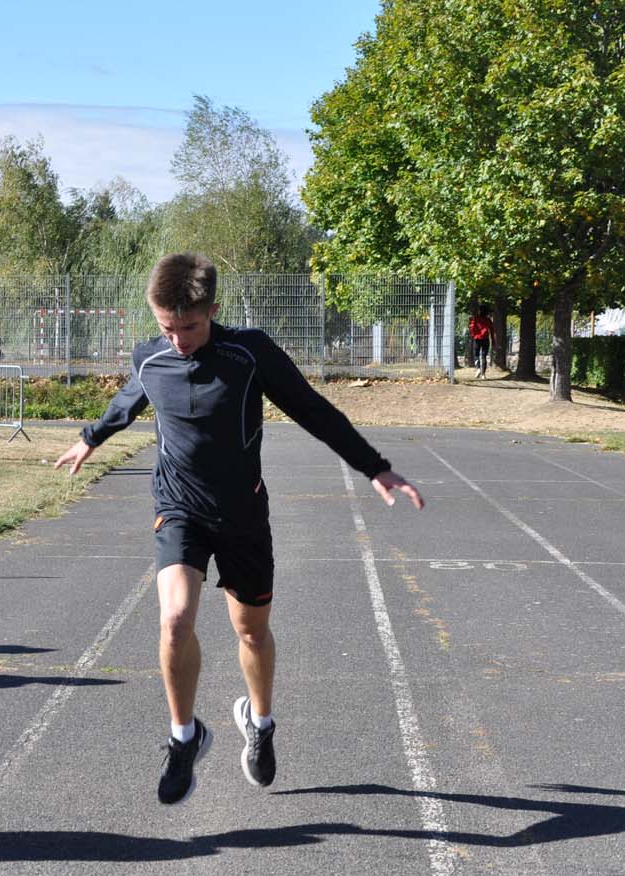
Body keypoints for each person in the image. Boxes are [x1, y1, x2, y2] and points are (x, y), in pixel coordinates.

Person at [54, 254, 424, 806]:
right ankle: (184, 738)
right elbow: (129, 400)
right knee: (175, 619)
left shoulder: (248, 353)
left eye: (190, 327)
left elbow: (311, 409)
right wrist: (90, 437)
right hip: (179, 508)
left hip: (243, 517)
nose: (178, 340)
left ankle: (260, 720)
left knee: (250, 631)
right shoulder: (149, 356)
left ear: (214, 312)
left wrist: (374, 466)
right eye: (167, 328)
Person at [468, 305, 493, 378]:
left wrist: (473, 335)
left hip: (477, 339)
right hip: (486, 339)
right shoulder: (488, 319)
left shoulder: (476, 318)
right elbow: (492, 330)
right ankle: (483, 374)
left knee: (476, 355)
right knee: (484, 356)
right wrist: (493, 341)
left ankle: (478, 368)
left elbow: (472, 327)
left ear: (479, 311)